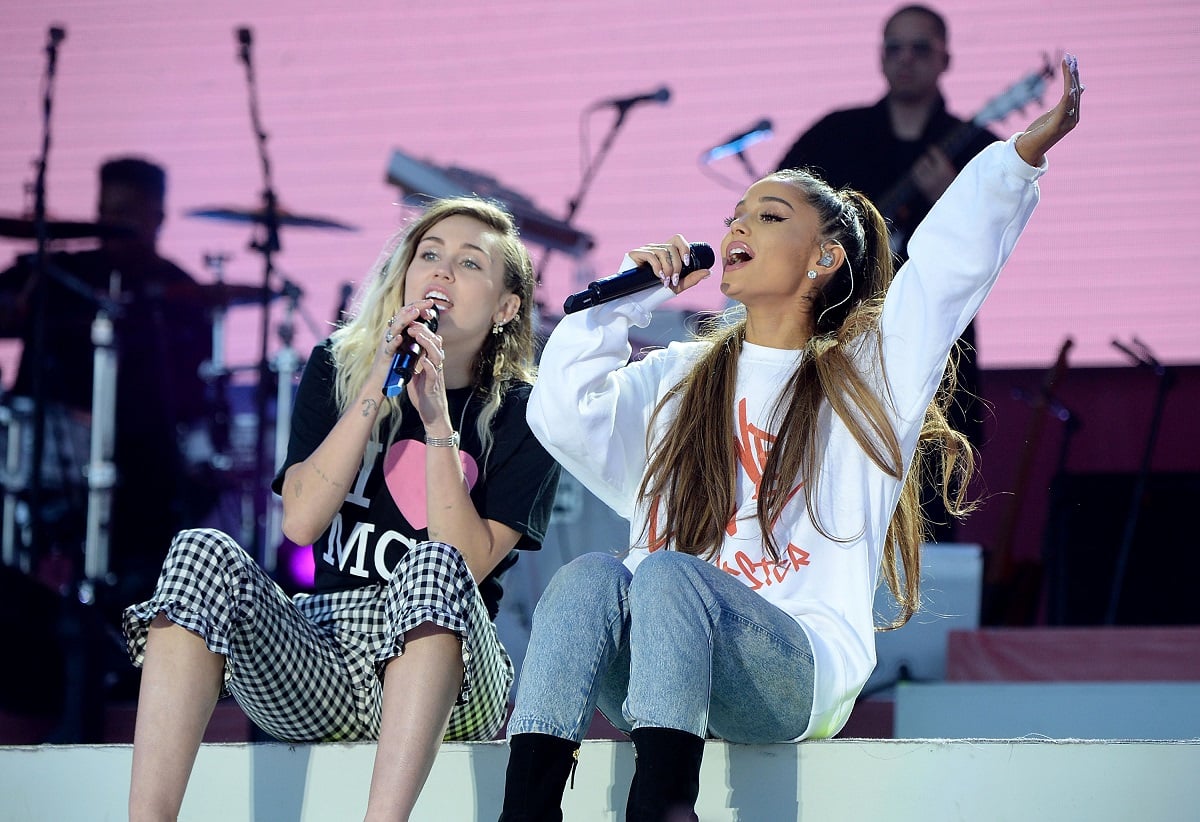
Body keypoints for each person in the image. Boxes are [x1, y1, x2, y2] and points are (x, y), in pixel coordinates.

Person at [498, 56, 1082, 822]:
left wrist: (1017, 159)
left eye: (769, 216)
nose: (738, 226)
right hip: (660, 665)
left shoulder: (867, 376)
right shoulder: (679, 377)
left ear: (824, 257)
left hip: (788, 669)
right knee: (585, 580)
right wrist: (625, 298)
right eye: (736, 214)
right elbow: (562, 410)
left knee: (670, 575)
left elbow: (943, 272)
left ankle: (664, 809)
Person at [122, 197, 561, 821]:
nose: (440, 271)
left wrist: (437, 421)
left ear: (505, 306)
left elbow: (464, 562)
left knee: (433, 564)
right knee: (200, 550)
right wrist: (375, 391)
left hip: (448, 667)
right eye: (428, 255)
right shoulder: (338, 366)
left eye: (468, 263)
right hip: (323, 655)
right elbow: (300, 523)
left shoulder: (525, 413)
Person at [776, 4, 1000, 541]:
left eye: (920, 48)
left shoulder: (974, 146)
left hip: (935, 350)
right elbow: (776, 208)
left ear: (946, 57)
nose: (906, 60)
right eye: (894, 47)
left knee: (928, 501)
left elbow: (996, 250)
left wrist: (950, 200)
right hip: (838, 341)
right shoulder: (835, 136)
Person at [0, 156, 213, 606]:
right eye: (107, 211)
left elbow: (192, 401)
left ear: (157, 216)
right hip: (48, 450)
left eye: (127, 214)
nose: (113, 224)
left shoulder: (177, 291)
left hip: (142, 462)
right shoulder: (57, 276)